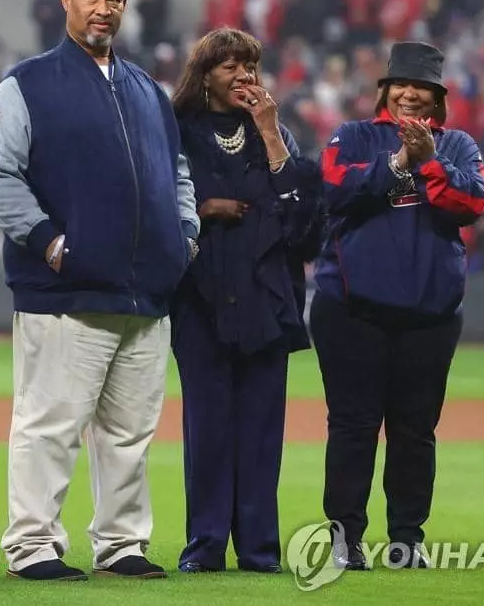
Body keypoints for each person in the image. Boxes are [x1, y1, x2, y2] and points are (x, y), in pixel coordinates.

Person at [0, 0, 200, 581]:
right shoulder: (28, 83)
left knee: (128, 434)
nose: (104, 8)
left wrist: (184, 236)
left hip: (144, 292)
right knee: (49, 425)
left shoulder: (148, 92)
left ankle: (122, 544)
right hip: (65, 290)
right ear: (66, 1)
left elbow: (178, 174)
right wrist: (49, 242)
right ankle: (32, 546)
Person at [310, 42, 484, 570]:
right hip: (352, 308)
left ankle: (406, 541)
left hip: (430, 314)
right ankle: (346, 540)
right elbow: (333, 190)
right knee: (352, 425)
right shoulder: (354, 135)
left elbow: (473, 203)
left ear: (437, 99)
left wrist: (430, 163)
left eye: (424, 88)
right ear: (385, 91)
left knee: (415, 431)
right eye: (402, 84)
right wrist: (397, 162)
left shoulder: (457, 145)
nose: (411, 94)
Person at [167, 28, 324, 574]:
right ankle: (205, 545)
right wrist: (203, 209)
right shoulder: (177, 131)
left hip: (266, 300)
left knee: (261, 433)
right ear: (204, 74)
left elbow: (307, 228)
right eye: (229, 65)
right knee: (207, 430)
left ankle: (259, 549)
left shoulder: (276, 135)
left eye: (250, 65)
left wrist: (270, 132)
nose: (242, 75)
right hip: (201, 298)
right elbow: (162, 204)